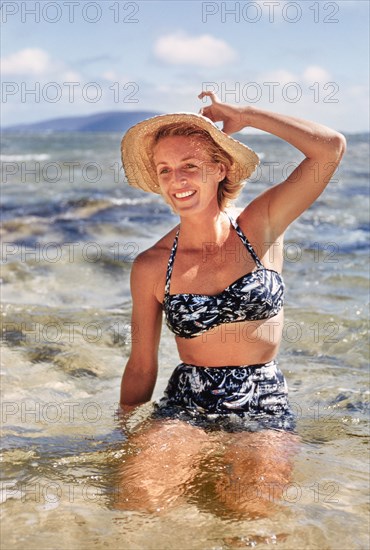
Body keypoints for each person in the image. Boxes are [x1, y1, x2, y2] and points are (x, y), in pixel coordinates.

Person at [116, 92, 346, 514]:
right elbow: (142, 364)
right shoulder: (151, 265)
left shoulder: (260, 226)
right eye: (165, 170)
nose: (177, 180)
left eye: (190, 166)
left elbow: (329, 148)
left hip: (263, 401)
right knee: (139, 501)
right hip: (187, 401)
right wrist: (124, 427)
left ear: (220, 168)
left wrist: (246, 115)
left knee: (251, 514)